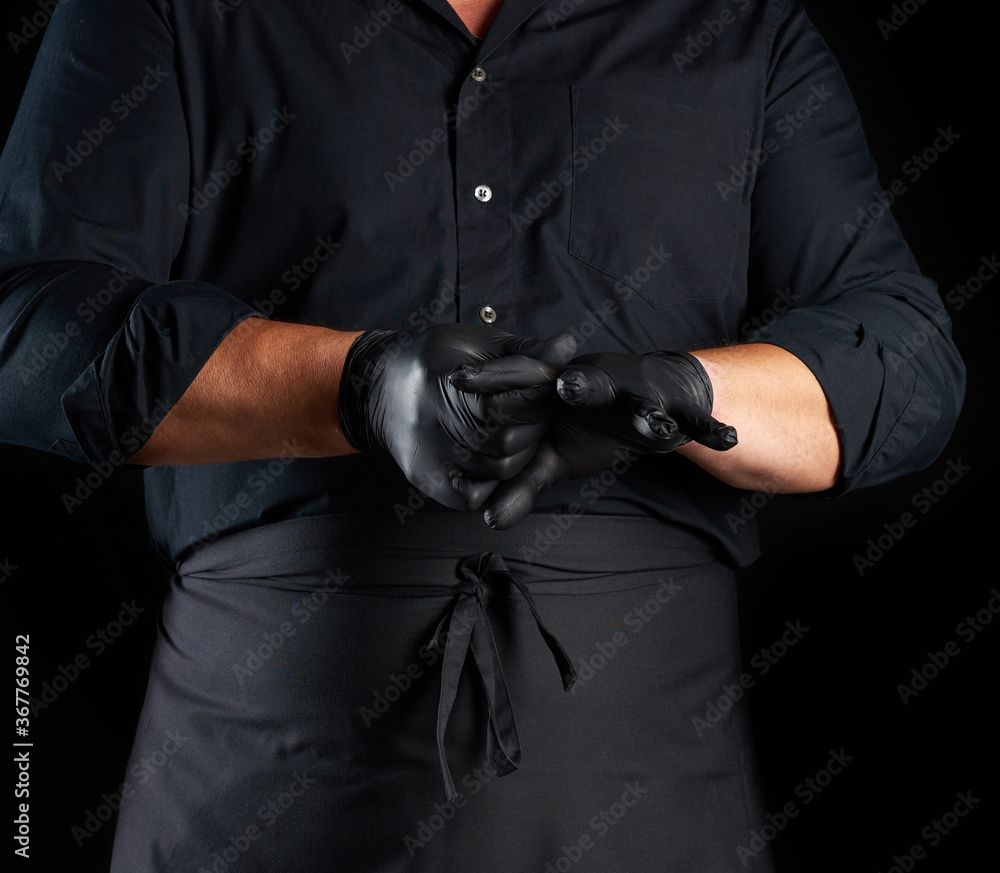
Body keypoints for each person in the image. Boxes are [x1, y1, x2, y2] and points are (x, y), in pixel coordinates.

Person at [0, 0, 964, 870]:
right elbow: (25, 330)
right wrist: (357, 386)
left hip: (659, 800)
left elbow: (907, 362)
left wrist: (681, 391)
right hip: (255, 782)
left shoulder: (744, 27)